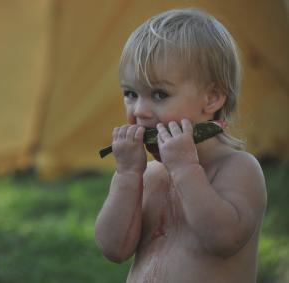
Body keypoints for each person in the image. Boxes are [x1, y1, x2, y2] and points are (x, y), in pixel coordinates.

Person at [94, 8, 267, 283]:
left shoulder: (238, 168)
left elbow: (223, 240)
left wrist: (185, 168)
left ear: (211, 98)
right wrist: (127, 176)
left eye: (159, 94)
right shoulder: (149, 176)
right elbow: (114, 248)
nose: (139, 110)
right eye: (130, 93)